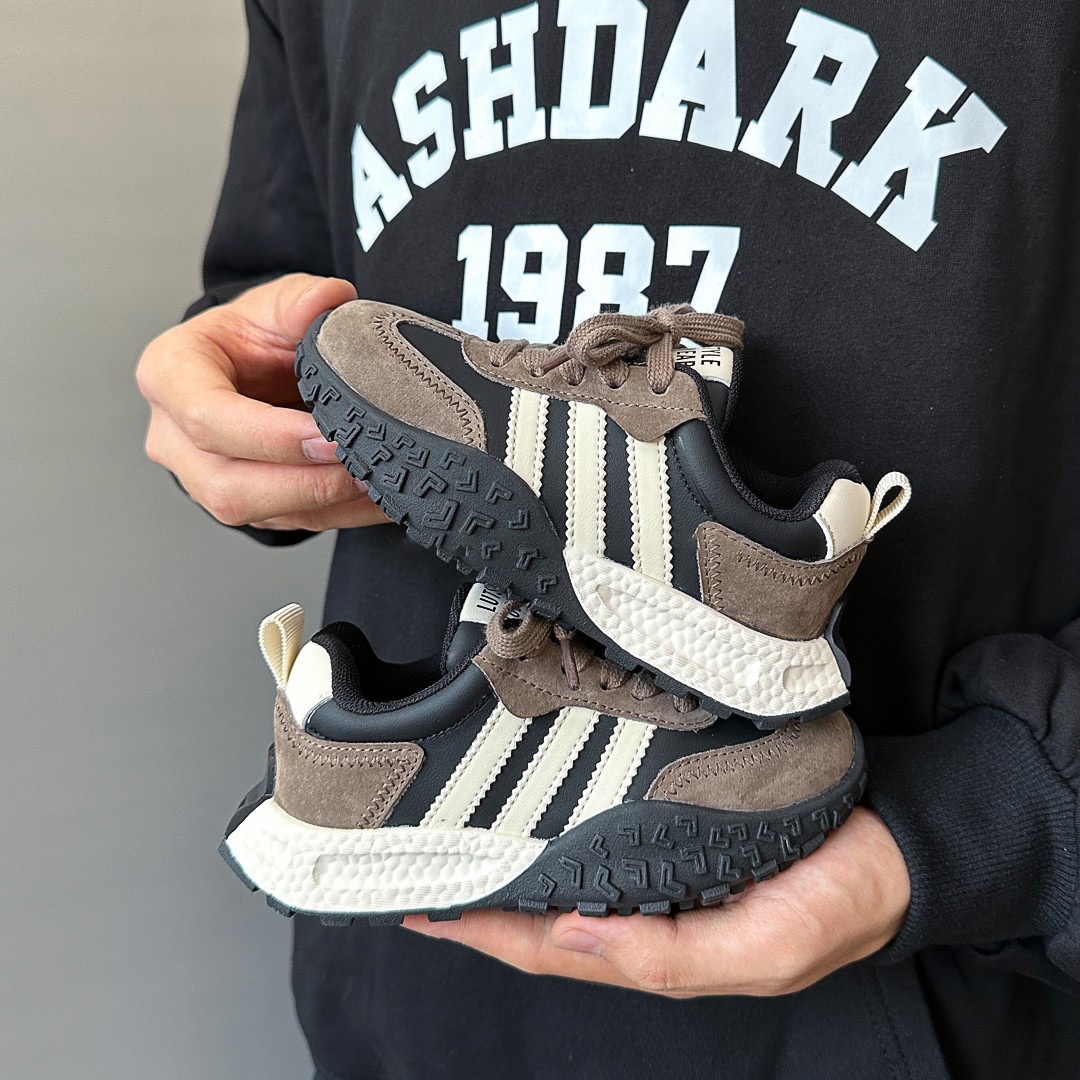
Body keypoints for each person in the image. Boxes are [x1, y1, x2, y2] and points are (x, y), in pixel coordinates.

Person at [137, 2, 1080, 1077]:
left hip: (928, 1005)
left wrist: (983, 827)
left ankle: (715, 557)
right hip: (421, 1020)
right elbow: (290, 293)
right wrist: (242, 416)